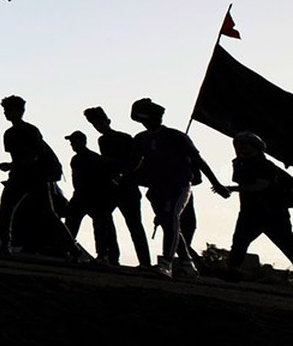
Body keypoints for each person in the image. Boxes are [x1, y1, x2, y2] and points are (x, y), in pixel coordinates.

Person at [129, 97, 228, 278]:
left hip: (178, 185)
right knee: (168, 224)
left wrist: (217, 184)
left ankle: (166, 264)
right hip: (156, 188)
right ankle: (187, 264)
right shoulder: (140, 139)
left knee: (171, 219)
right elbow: (136, 164)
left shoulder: (175, 136)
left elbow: (199, 161)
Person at [0, 95, 82, 259]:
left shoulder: (29, 131)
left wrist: (12, 166)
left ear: (20, 111)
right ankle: (5, 246)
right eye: (5, 110)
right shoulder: (9, 133)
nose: (6, 113)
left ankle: (73, 248)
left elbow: (34, 156)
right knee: (6, 210)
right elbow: (18, 156)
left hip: (36, 178)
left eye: (10, 110)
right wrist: (13, 167)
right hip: (21, 177)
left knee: (47, 214)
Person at [83, 106, 150, 267]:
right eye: (94, 124)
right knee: (102, 218)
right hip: (112, 187)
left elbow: (135, 161)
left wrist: (123, 173)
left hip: (128, 186)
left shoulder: (125, 138)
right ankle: (107, 256)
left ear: (107, 121)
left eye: (99, 123)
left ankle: (144, 262)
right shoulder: (103, 140)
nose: (98, 127)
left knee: (134, 224)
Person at [222, 132, 293, 279]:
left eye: (243, 144)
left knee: (287, 244)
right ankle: (232, 270)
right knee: (239, 241)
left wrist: (231, 188)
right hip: (251, 211)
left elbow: (260, 185)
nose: (239, 147)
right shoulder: (240, 163)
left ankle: (232, 270)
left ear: (254, 147)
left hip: (272, 212)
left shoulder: (264, 165)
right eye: (237, 144)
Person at [63, 131, 119, 264]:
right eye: (72, 142)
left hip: (94, 197)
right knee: (75, 223)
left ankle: (104, 256)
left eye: (74, 142)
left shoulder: (93, 159)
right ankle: (69, 250)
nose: (72, 145)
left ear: (82, 141)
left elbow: (105, 179)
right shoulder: (80, 159)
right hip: (84, 196)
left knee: (100, 227)